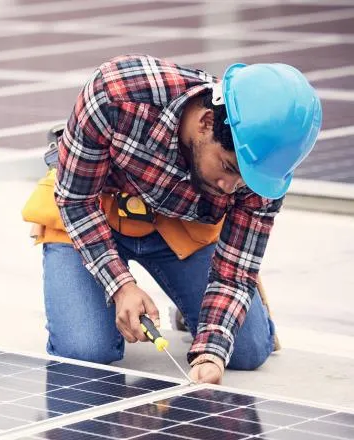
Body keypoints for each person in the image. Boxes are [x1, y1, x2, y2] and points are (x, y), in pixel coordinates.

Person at [22, 54, 322, 384]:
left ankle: (194, 305)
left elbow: (235, 271)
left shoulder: (265, 171)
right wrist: (120, 285)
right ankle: (70, 147)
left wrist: (211, 353)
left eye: (245, 181)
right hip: (94, 210)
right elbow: (77, 201)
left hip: (179, 224)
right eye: (227, 168)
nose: (230, 188)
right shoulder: (116, 94)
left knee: (245, 352)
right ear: (206, 122)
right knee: (86, 352)